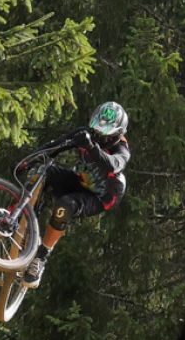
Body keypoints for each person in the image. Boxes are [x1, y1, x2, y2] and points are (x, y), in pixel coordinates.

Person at [18, 102, 131, 288]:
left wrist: (91, 147)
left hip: (103, 196)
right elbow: (53, 147)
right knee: (42, 171)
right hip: (81, 180)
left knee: (65, 205)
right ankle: (25, 222)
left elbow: (113, 165)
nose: (99, 136)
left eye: (105, 134)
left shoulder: (122, 150)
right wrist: (25, 162)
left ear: (118, 133)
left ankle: (41, 258)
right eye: (97, 131)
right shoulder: (85, 133)